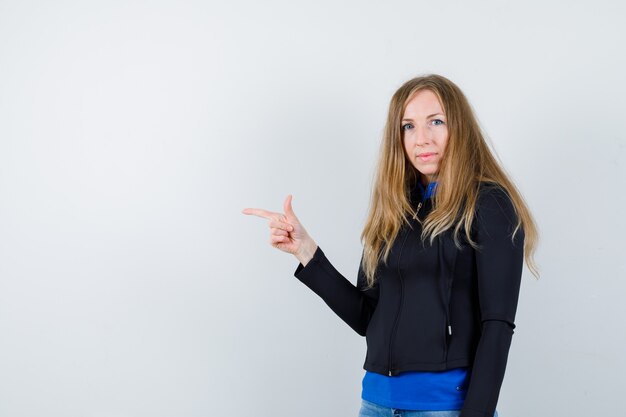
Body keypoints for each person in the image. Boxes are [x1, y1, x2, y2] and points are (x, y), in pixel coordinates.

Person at [242, 74, 539, 417]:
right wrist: (306, 251)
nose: (422, 138)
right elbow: (368, 317)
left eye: (436, 122)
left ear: (460, 128)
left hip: (444, 407)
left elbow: (497, 324)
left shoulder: (488, 203)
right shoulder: (395, 210)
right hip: (376, 404)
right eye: (408, 126)